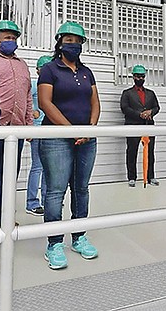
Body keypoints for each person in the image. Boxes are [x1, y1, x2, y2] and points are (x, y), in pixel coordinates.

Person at [38, 21, 100, 270]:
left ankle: (78, 237)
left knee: (81, 189)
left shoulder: (87, 72)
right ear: (60, 41)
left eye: (78, 41)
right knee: (55, 191)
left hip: (86, 139)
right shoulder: (50, 70)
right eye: (69, 40)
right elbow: (45, 102)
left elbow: (95, 102)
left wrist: (90, 128)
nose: (73, 45)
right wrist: (70, 129)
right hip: (56, 138)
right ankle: (54, 243)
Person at [0, 19, 32, 227]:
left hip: (16, 132)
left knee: (8, 179)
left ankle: (5, 220)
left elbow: (28, 96)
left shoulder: (23, 65)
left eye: (13, 38)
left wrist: (28, 124)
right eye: (6, 37)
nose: (10, 41)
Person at [120, 64, 161, 187]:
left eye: (142, 76)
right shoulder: (127, 93)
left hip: (148, 126)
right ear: (133, 77)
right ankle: (131, 177)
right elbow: (124, 108)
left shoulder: (151, 93)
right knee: (131, 152)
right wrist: (139, 114)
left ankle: (151, 177)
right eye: (137, 76)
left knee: (150, 152)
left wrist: (150, 112)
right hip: (133, 126)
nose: (140, 79)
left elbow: (157, 107)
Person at [26, 55, 51, 216]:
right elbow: (24, 101)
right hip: (37, 130)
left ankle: (47, 200)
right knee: (37, 167)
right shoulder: (34, 85)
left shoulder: (52, 87)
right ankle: (32, 203)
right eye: (44, 68)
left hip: (50, 130)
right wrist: (30, 115)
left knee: (49, 168)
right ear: (37, 70)